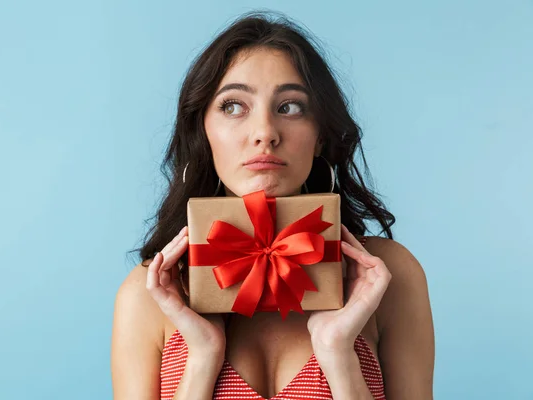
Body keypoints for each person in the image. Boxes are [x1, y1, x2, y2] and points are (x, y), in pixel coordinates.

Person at [111, 11, 434, 400]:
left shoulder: (387, 277)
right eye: (233, 106)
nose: (264, 133)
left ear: (319, 136)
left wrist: (338, 353)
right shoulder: (148, 294)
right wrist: (202, 355)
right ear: (202, 131)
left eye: (290, 106)